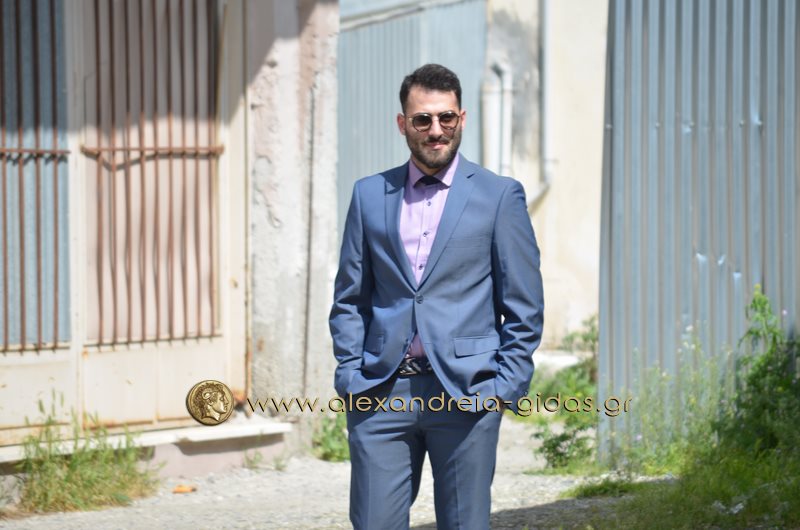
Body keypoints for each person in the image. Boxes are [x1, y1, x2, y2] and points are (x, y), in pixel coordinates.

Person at [329, 63, 544, 530]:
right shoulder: (369, 195)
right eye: (423, 119)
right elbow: (349, 298)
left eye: (446, 117)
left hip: (468, 393)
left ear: (461, 118)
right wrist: (350, 374)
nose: (436, 129)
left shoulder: (499, 196)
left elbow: (523, 305)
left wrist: (503, 388)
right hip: (382, 392)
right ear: (403, 123)